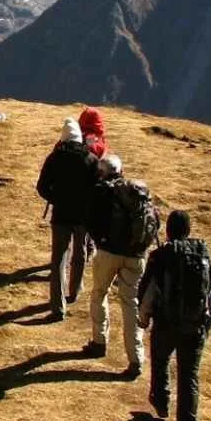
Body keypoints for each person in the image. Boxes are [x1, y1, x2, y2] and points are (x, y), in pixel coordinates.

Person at [138, 210, 211, 421]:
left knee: (161, 362)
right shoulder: (202, 254)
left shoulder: (161, 256)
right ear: (189, 230)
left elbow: (148, 294)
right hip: (195, 328)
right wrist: (205, 325)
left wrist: (144, 320)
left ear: (168, 231)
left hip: (166, 325)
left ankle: (161, 402)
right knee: (189, 379)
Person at [82, 154, 159, 376]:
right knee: (131, 304)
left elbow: (89, 220)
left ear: (102, 171)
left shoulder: (102, 191)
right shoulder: (138, 194)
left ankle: (99, 340)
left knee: (99, 293)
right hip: (136, 256)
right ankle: (136, 359)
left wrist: (100, 240)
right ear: (121, 170)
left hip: (108, 252)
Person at [35, 118, 97, 321]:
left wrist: (56, 199)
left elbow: (42, 187)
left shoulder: (54, 158)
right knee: (79, 253)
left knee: (58, 260)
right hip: (83, 216)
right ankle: (75, 290)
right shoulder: (90, 159)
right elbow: (98, 189)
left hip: (61, 216)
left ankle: (57, 307)